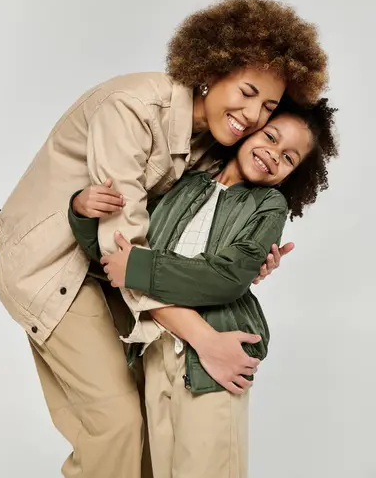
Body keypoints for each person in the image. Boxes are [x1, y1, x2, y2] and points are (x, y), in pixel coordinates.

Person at [0, 0, 328, 478]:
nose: (252, 115)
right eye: (247, 91)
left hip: (105, 272)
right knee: (116, 425)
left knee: (148, 427)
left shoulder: (215, 143)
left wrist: (248, 256)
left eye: (268, 107)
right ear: (213, 68)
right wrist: (203, 337)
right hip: (53, 270)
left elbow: (179, 233)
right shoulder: (131, 109)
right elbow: (124, 250)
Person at [70, 98, 338, 478]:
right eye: (271, 136)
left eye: (289, 158)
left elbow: (227, 276)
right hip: (154, 349)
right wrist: (82, 212)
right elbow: (117, 253)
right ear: (249, 130)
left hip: (213, 360)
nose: (273, 154)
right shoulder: (184, 183)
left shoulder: (269, 206)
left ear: (291, 176)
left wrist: (141, 267)